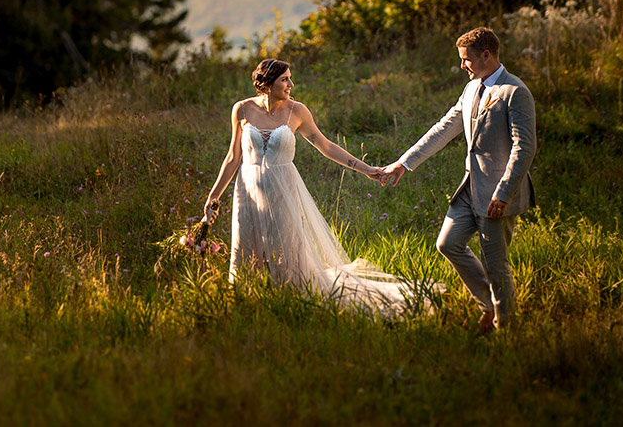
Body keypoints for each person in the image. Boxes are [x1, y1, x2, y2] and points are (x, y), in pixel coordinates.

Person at [201, 59, 433, 316]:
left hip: (283, 191)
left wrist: (366, 169)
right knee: (248, 250)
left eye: (290, 78)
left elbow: (326, 147)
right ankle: (248, 305)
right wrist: (213, 198)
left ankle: (292, 302)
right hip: (248, 193)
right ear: (266, 84)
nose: (291, 84)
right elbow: (233, 157)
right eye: (284, 79)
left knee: (286, 250)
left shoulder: (297, 111)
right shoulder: (242, 110)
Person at [380, 27, 536, 332]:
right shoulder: (471, 89)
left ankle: (506, 329)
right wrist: (403, 163)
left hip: (497, 193)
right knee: (448, 243)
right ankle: (489, 308)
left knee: (496, 264)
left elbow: (524, 147)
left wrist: (504, 192)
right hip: (469, 187)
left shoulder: (515, 92)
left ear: (486, 55)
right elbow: (444, 128)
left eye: (466, 59)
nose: (462, 65)